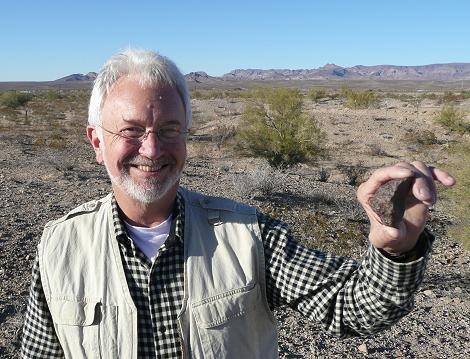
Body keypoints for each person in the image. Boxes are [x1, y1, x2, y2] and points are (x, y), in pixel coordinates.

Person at [21, 48, 456, 359]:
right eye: (131, 131)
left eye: (170, 129)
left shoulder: (249, 235)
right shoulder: (59, 246)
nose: (152, 149)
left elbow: (351, 306)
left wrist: (394, 250)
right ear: (97, 141)